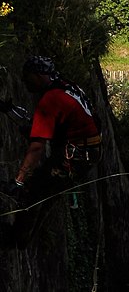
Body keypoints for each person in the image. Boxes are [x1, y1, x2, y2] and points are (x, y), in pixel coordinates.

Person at [1, 56, 102, 248]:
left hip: (75, 156)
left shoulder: (51, 100)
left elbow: (37, 146)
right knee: (45, 192)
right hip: (88, 151)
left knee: (34, 191)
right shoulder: (67, 86)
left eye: (27, 76)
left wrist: (19, 180)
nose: (24, 80)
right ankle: (20, 238)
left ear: (38, 76)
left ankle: (16, 240)